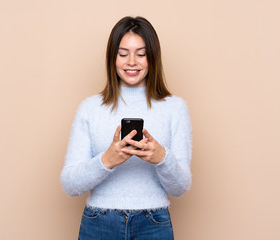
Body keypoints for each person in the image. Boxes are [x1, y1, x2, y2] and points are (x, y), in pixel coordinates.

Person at [60, 16, 192, 240]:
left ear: (153, 58)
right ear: (112, 58)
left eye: (141, 54)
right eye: (123, 54)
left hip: (154, 223)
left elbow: (180, 188)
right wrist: (107, 161)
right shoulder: (90, 108)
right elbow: (70, 185)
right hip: (99, 223)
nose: (132, 62)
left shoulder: (175, 108)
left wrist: (162, 157)